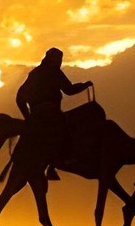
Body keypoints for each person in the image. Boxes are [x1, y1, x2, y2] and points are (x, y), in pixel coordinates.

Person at [16, 48, 93, 180]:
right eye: (58, 59)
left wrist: (28, 117)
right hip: (50, 112)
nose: (59, 62)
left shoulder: (35, 73)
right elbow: (68, 90)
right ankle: (63, 160)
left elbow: (20, 97)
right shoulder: (54, 73)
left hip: (35, 113)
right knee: (68, 128)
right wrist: (85, 85)